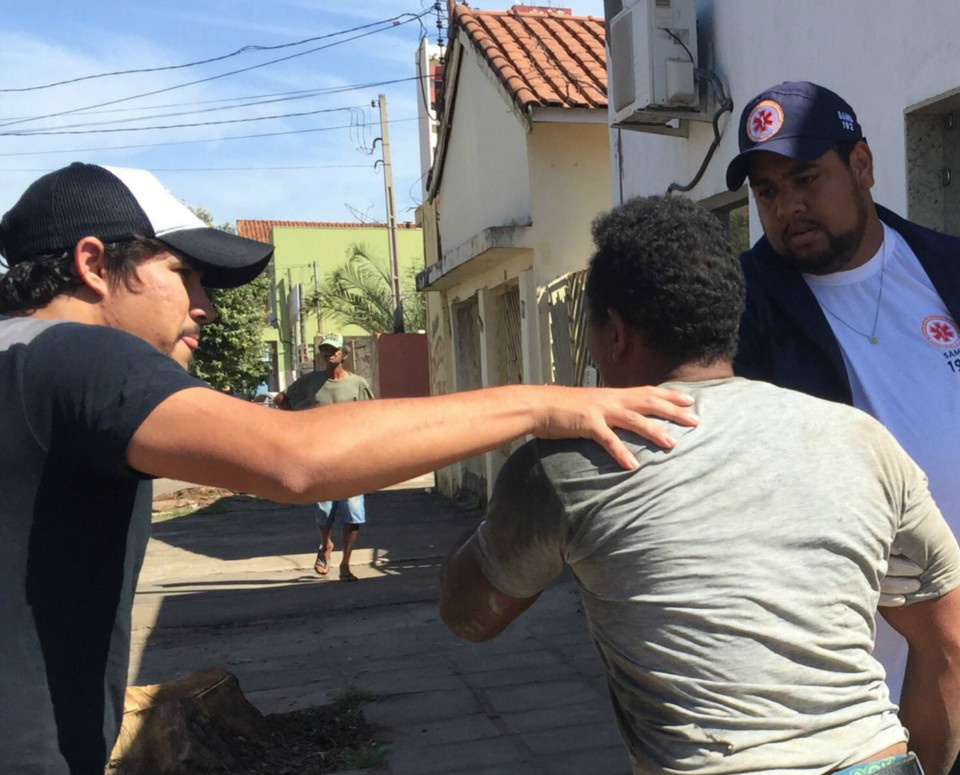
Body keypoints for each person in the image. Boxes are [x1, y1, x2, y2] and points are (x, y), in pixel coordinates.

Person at [0, 163, 699, 775]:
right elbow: (294, 456)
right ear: (93, 264)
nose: (204, 306)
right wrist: (548, 402)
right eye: (182, 275)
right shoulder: (70, 355)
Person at [439, 195, 960, 775]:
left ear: (613, 333)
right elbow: (951, 641)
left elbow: (471, 615)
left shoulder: (572, 464)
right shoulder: (865, 440)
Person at [726, 81, 960, 704]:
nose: (787, 206)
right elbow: (731, 475)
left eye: (805, 179)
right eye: (767, 191)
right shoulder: (739, 309)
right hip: (858, 689)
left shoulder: (948, 267)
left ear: (862, 167)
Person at [280, 333, 375, 581]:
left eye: (334, 350)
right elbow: (283, 399)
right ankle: (326, 545)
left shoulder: (357, 384)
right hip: (321, 457)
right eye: (325, 350)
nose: (329, 354)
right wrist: (297, 423)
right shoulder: (311, 382)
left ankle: (346, 564)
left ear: (344, 353)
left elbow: (371, 416)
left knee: (354, 512)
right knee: (324, 511)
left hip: (351, 459)